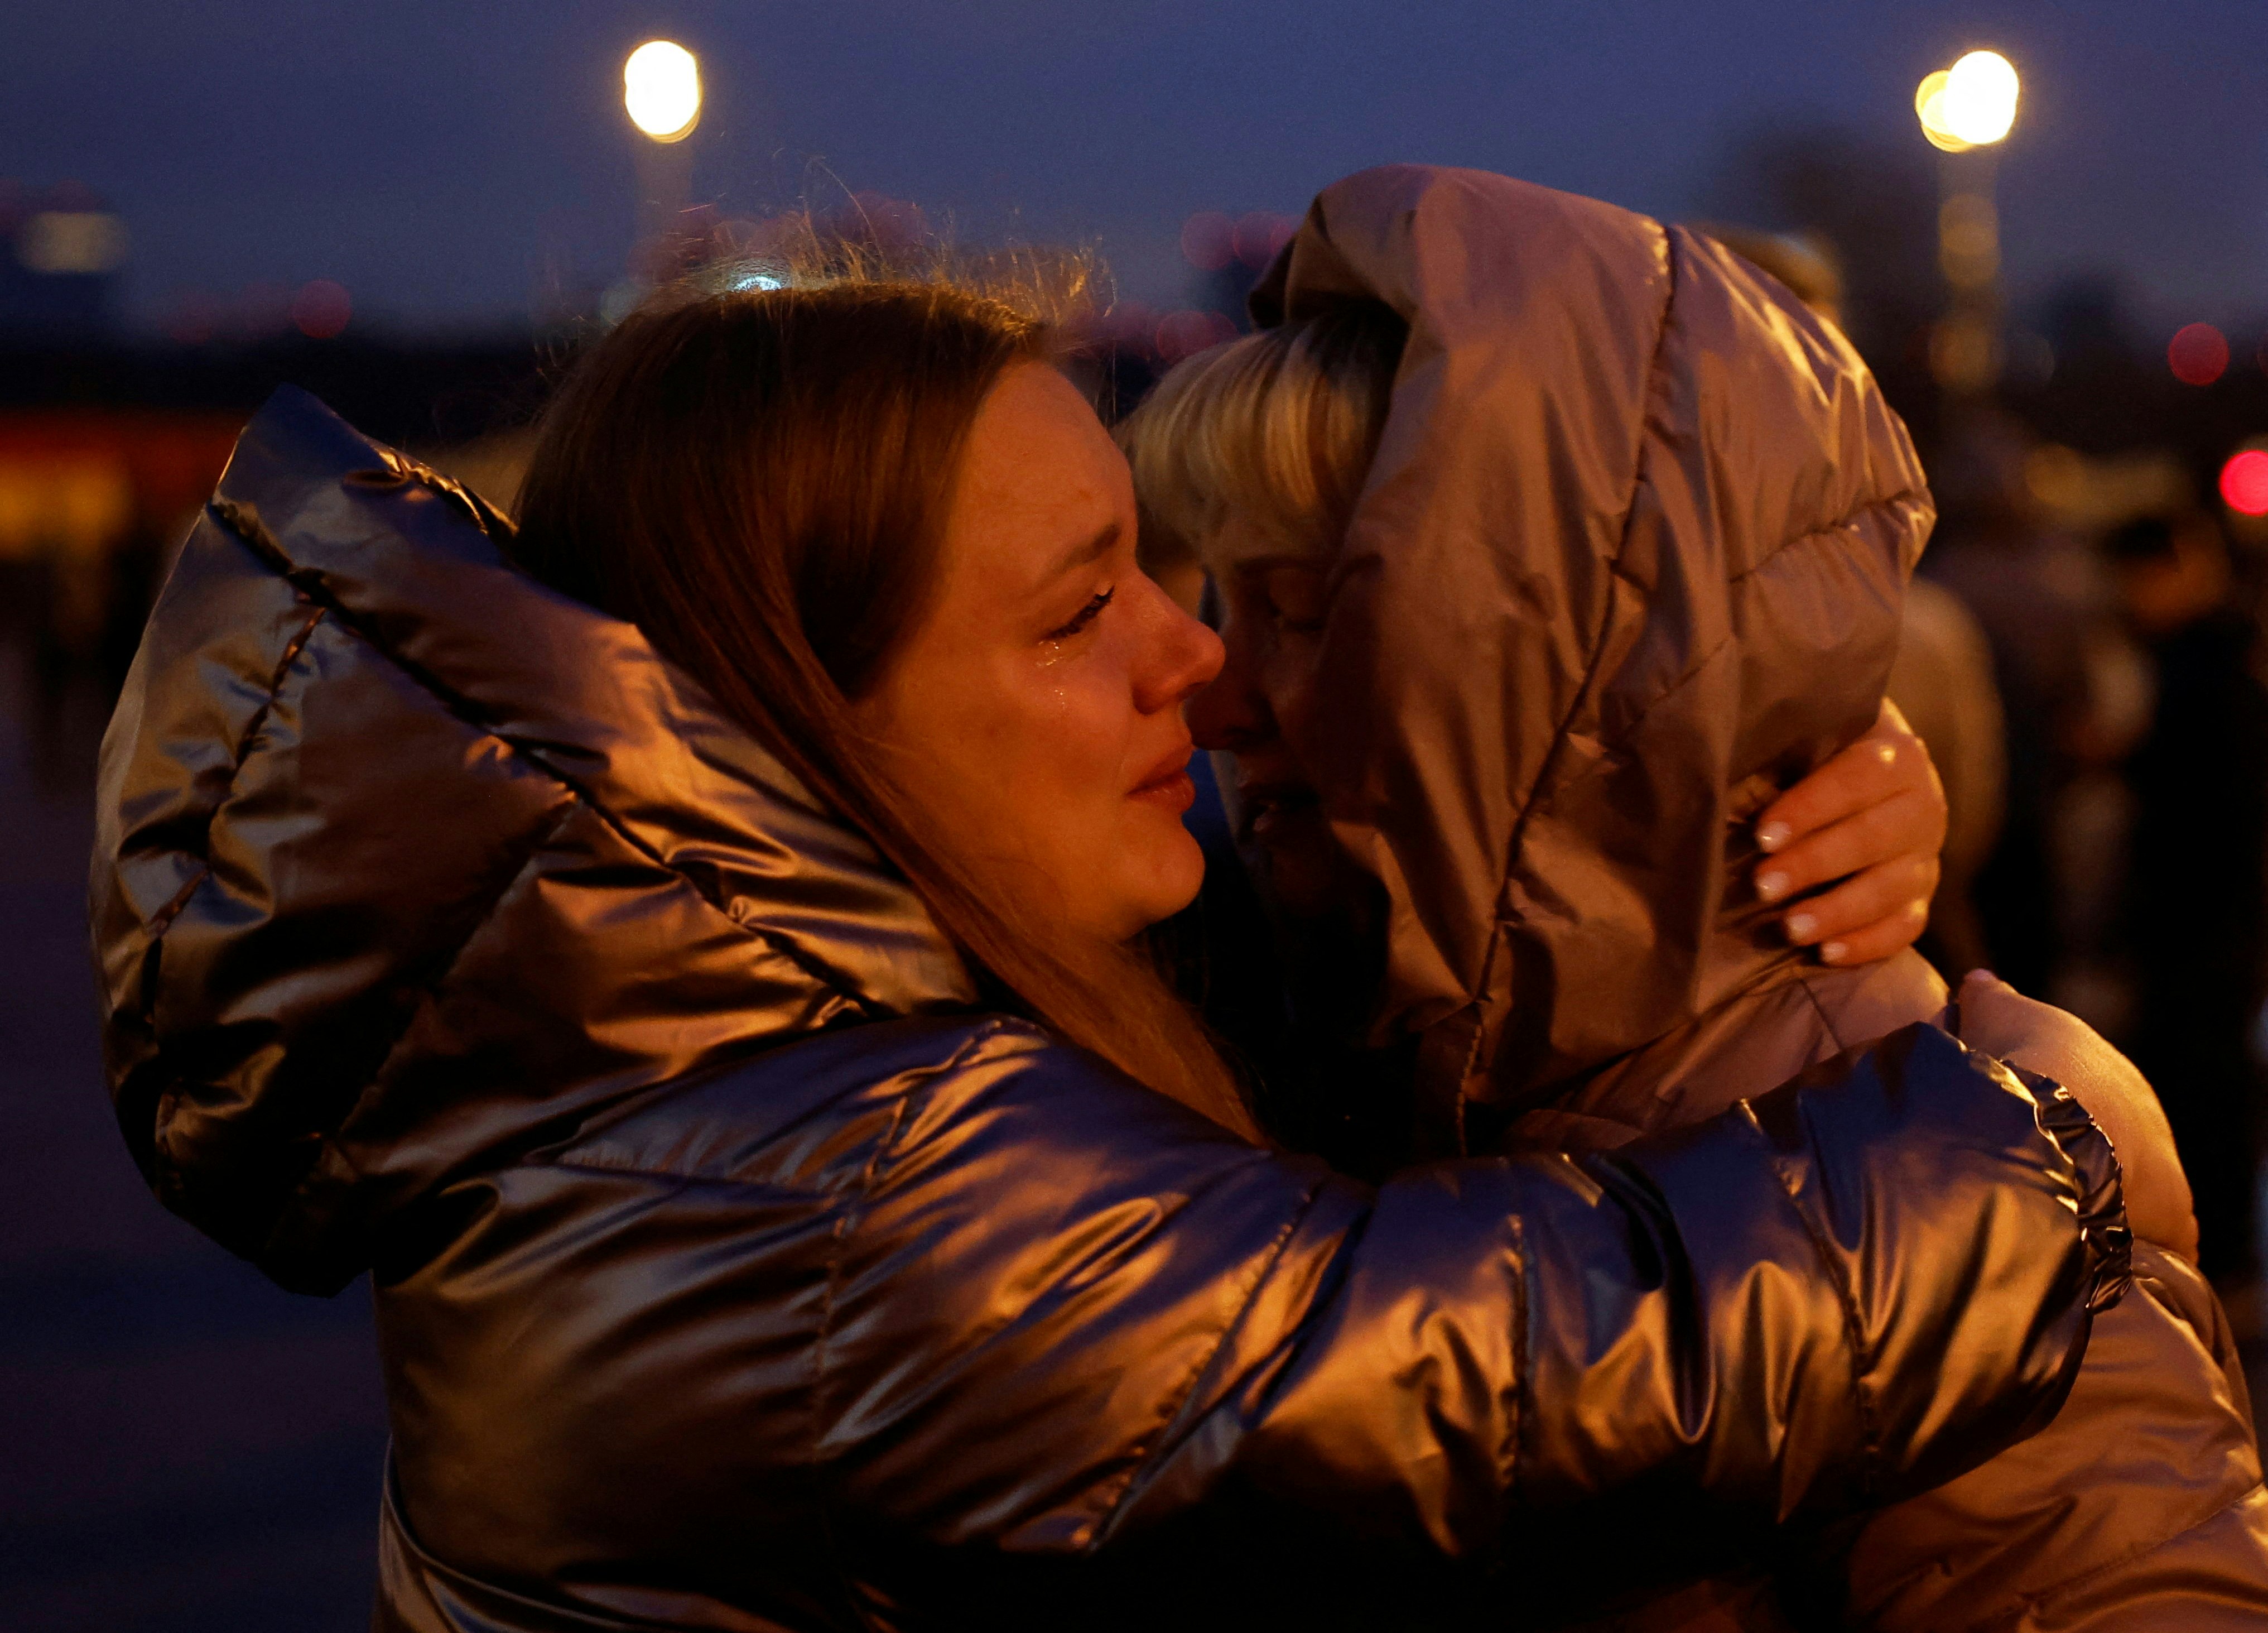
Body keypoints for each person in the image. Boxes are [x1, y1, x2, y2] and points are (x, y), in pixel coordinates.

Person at [90, 275, 2130, 1632]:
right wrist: (2051, 1124)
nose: (1196, 651)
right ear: (807, 720)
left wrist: (1740, 794)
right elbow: (1537, 1366)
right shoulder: (857, 1210)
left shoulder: (739, 1036)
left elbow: (1289, 1019)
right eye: (1081, 614)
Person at [1124, 163, 2266, 1629]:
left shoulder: (1949, 1184)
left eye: (1295, 611)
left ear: (1542, 660)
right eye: (1223, 601)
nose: (1217, 702)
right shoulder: (1318, 1047)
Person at [2110, 508, 2268, 1288]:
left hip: (2200, 918)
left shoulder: (2199, 671)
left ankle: (2221, 1261)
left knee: (2204, 1090)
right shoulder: (2221, 659)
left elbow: (2201, 810)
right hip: (2218, 916)